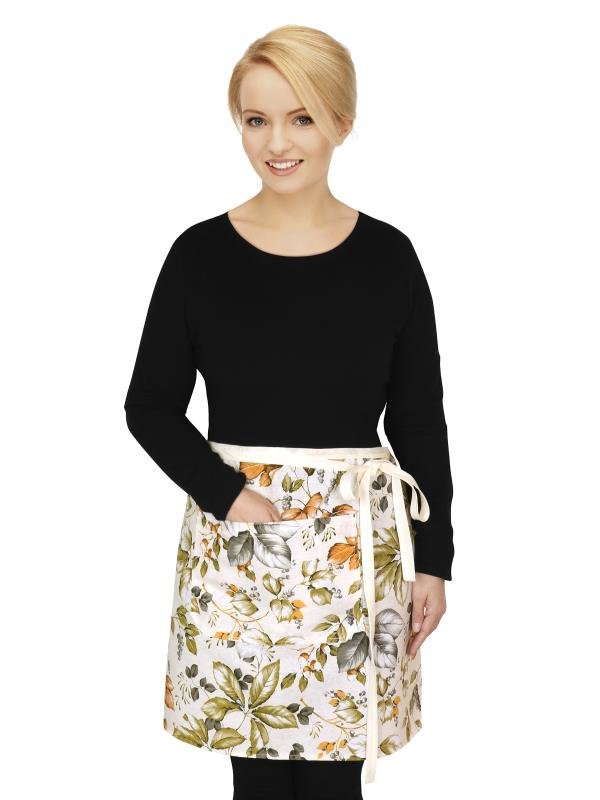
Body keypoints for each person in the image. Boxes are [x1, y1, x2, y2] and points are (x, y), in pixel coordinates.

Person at [124, 24, 454, 800]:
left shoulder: (390, 258)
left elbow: (418, 421)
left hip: (357, 546)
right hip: (242, 544)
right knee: (258, 770)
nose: (277, 142)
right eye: (257, 119)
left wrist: (434, 558)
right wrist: (228, 495)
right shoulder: (199, 256)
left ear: (342, 120)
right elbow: (149, 405)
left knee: (340, 773)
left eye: (302, 117)